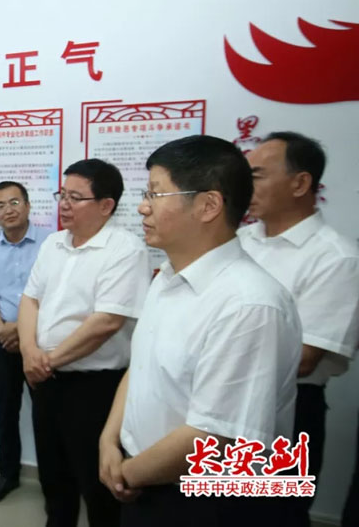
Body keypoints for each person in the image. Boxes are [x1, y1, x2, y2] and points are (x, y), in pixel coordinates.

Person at [99, 135, 302, 527]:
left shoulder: (249, 305)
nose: (142, 206)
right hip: (141, 477)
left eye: (155, 194)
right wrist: (109, 440)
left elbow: (216, 436)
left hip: (203, 500)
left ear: (209, 205)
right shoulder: (167, 278)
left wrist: (127, 473)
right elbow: (141, 369)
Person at [18, 159, 151, 526]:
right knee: (53, 475)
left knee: (97, 484)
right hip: (46, 380)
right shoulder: (53, 243)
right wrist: (29, 352)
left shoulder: (125, 250)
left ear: (106, 205)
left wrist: (46, 360)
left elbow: (106, 322)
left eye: (75, 198)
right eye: (62, 194)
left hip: (94, 388)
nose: (63, 204)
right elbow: (30, 299)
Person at [238, 131, 359, 527]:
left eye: (256, 175)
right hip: (221, 403)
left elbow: (304, 359)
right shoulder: (238, 241)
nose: (245, 185)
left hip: (287, 410)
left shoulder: (335, 258)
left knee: (273, 516)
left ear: (300, 183)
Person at [0, 181, 52, 504]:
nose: (8, 210)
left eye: (14, 202)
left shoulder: (51, 243)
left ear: (28, 205)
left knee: (47, 414)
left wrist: (21, 329)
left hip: (43, 341)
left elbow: (57, 294)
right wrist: (1, 329)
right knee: (6, 409)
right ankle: (8, 474)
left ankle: (53, 481)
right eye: (0, 205)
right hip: (3, 341)